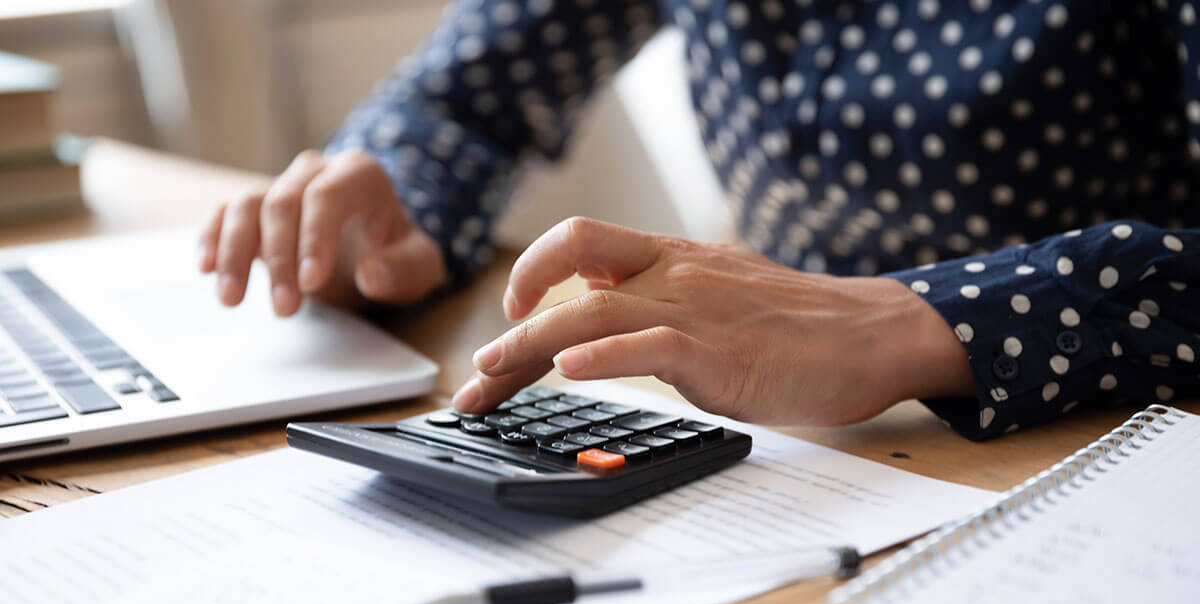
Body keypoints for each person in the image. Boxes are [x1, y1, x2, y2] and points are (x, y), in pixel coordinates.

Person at [200, 0, 1198, 440]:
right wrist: (391, 212)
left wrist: (916, 316)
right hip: (810, 445)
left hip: (1108, 448)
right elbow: (464, 100)